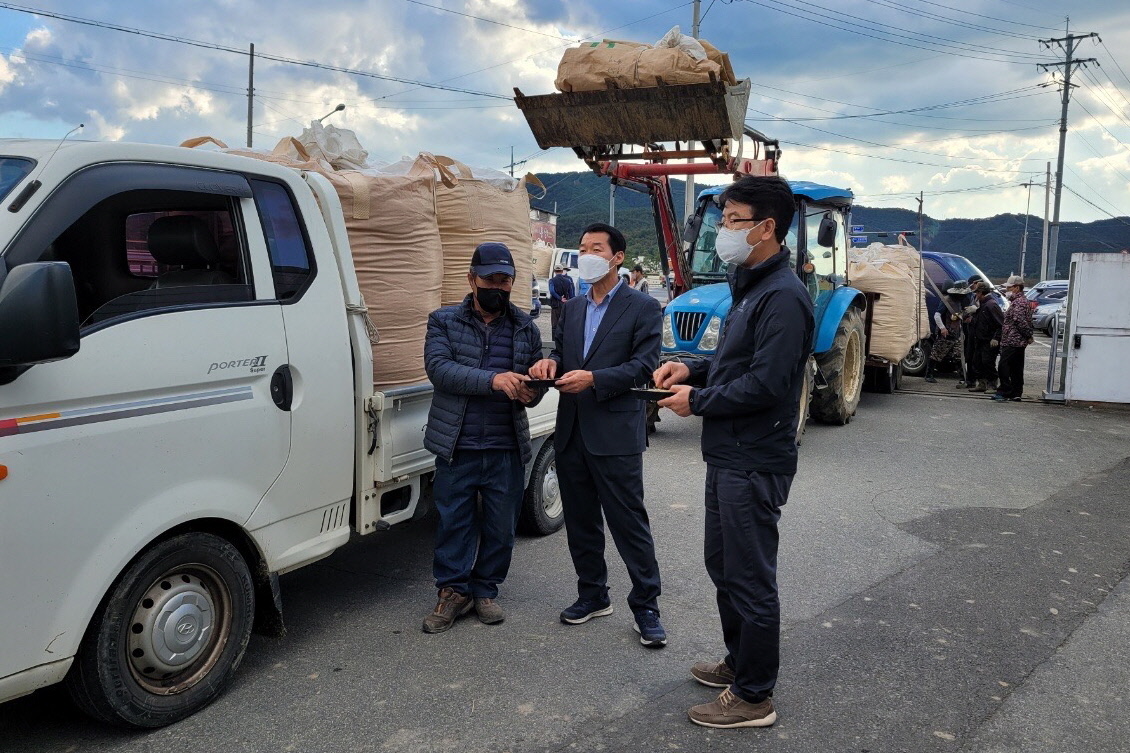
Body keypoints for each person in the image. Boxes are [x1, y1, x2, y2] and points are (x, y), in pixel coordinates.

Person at [653, 176, 813, 729]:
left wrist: (697, 400)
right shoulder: (749, 287)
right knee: (723, 564)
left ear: (767, 228)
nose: (724, 229)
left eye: (733, 219)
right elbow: (735, 364)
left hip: (754, 457)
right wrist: (690, 368)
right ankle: (738, 660)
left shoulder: (784, 298)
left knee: (749, 576)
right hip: (728, 454)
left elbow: (766, 385)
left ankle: (754, 695)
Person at [527, 222, 666, 648]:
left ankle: (646, 606)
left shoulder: (642, 307)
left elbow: (644, 365)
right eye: (582, 247)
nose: (586, 254)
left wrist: (595, 379)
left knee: (628, 523)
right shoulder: (570, 308)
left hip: (615, 433)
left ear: (617, 257)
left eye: (596, 248)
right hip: (571, 431)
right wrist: (549, 365)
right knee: (582, 522)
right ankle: (593, 594)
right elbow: (561, 354)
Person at [420, 242, 543, 633]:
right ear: (471, 278)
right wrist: (493, 380)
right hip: (458, 444)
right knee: (454, 522)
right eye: (490, 279)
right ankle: (453, 592)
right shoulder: (443, 321)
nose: (498, 287)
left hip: (506, 445)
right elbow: (440, 370)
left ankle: (486, 589)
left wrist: (532, 389)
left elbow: (533, 385)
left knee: (500, 526)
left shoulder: (526, 327)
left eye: (505, 280)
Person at [993, 275, 1034, 402]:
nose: (1006, 290)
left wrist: (1028, 335)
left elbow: (1019, 320)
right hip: (1016, 340)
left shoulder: (1019, 302)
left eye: (1009, 288)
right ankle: (1016, 392)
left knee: (1004, 366)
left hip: (1013, 340)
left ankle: (1005, 390)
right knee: (1016, 367)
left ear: (1016, 288)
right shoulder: (1020, 301)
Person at [924, 282, 968, 384]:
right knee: (936, 354)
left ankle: (963, 377)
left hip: (957, 332)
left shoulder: (959, 301)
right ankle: (928, 375)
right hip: (946, 333)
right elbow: (937, 315)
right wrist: (942, 328)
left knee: (958, 355)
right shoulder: (946, 300)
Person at [968, 280, 1003, 393]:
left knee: (987, 363)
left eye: (977, 293)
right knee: (977, 362)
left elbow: (1001, 324)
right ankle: (982, 384)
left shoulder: (991, 305)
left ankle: (992, 385)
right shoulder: (984, 305)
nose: (976, 296)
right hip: (980, 339)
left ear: (982, 292)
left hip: (989, 340)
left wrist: (996, 338)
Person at [548, 264, 575, 336]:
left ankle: (554, 341)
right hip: (565, 304)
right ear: (562, 271)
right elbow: (571, 294)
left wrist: (559, 298)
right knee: (564, 323)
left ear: (554, 271)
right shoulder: (568, 281)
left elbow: (552, 291)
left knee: (555, 324)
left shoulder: (552, 280)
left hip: (555, 305)